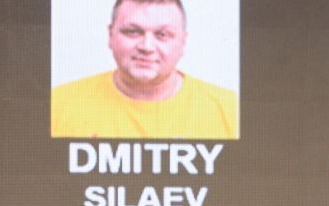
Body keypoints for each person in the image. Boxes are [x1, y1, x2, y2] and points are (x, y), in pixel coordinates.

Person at [51, 0, 238, 139]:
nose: (147, 47)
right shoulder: (55, 105)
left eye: (162, 34)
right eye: (133, 32)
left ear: (183, 42)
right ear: (110, 35)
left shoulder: (231, 111)